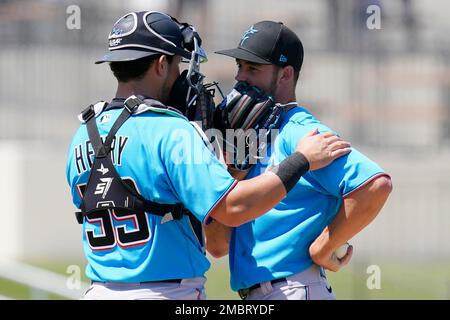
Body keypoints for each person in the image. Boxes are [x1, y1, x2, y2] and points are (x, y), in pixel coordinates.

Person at [65, 11, 351, 300]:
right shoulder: (171, 130)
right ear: (162, 64)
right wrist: (301, 160)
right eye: (178, 64)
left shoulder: (84, 131)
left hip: (98, 291)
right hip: (168, 293)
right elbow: (232, 207)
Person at [209, 20, 393, 300]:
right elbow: (218, 246)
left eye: (253, 68)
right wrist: (232, 171)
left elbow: (376, 185)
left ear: (285, 75)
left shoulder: (300, 130)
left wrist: (325, 246)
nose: (241, 78)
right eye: (240, 66)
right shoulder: (247, 134)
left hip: (294, 288)